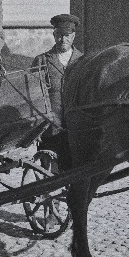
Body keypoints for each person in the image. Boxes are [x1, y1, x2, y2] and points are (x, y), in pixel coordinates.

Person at [30, 13, 84, 170]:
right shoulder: (42, 60)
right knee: (49, 168)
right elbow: (33, 95)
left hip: (75, 126)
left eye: (67, 35)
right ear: (54, 35)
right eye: (59, 35)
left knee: (73, 166)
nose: (63, 40)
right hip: (50, 126)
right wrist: (36, 128)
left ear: (73, 36)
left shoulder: (83, 60)